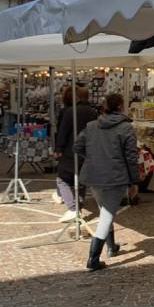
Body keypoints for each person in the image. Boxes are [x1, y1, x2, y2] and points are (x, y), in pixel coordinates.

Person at [74, 93, 140, 271]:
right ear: (120, 107)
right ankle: (93, 258)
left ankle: (111, 247)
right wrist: (134, 181)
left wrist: (93, 158)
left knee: (105, 210)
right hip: (115, 177)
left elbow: (77, 146)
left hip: (94, 175)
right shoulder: (126, 128)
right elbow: (131, 157)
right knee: (106, 215)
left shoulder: (92, 126)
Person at [54, 85, 99, 223]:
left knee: (62, 179)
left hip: (70, 149)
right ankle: (78, 206)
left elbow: (63, 132)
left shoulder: (69, 111)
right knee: (81, 178)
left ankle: (73, 208)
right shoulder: (93, 112)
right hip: (87, 150)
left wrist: (58, 149)